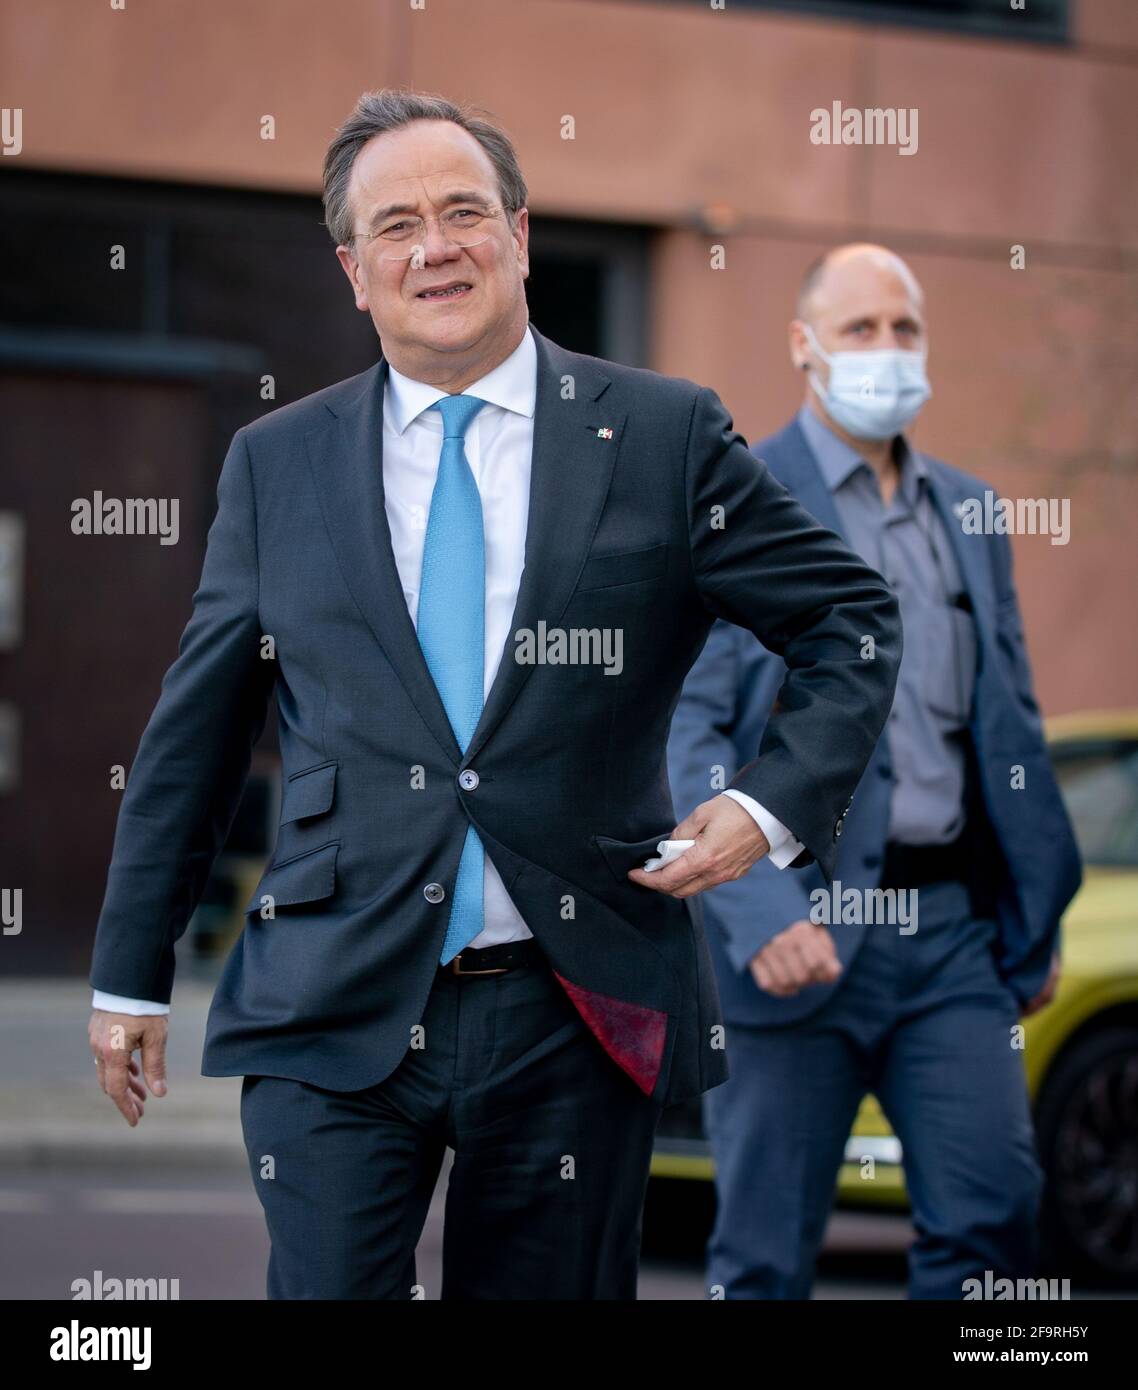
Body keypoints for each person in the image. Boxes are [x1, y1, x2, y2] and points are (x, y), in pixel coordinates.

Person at [87, 94, 900, 1300]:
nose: (436, 245)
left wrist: (767, 808)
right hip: (333, 997)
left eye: (465, 211)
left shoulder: (662, 435)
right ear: (355, 270)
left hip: (575, 1005)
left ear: (519, 233)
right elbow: (197, 733)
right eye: (398, 224)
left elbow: (850, 618)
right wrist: (128, 971)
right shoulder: (278, 463)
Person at [667, 243, 1082, 1299]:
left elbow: (1010, 729)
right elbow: (691, 727)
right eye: (860, 330)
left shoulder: (970, 515)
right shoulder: (739, 499)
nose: (885, 350)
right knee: (763, 1260)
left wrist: (1033, 915)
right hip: (796, 931)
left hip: (950, 940)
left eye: (904, 329)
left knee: (993, 1221)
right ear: (804, 348)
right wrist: (759, 910)